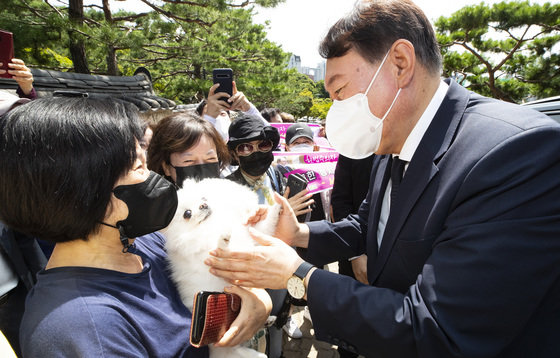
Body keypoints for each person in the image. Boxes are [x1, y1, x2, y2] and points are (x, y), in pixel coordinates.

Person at [205, 1, 560, 357]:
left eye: (340, 92)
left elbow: (436, 328)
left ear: (400, 64)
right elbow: (369, 225)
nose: (336, 109)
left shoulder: (510, 153)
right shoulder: (390, 143)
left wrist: (299, 275)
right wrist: (298, 234)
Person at [0, 97, 271, 357]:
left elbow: (224, 277)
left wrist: (257, 300)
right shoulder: (84, 327)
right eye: (139, 166)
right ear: (83, 191)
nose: (152, 176)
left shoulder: (147, 241)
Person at [330, 153, 375, 358]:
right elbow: (340, 203)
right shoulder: (354, 149)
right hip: (353, 255)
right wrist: (355, 254)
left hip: (398, 261)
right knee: (349, 315)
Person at [147, 112, 230, 185]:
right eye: (188, 160)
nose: (202, 169)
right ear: (166, 168)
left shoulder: (233, 198)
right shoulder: (161, 202)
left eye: (210, 158)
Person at [197, 82, 267, 141]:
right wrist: (210, 119)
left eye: (222, 114)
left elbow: (271, 136)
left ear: (230, 119)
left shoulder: (242, 148)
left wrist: (250, 110)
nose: (218, 118)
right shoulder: (197, 151)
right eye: (213, 114)